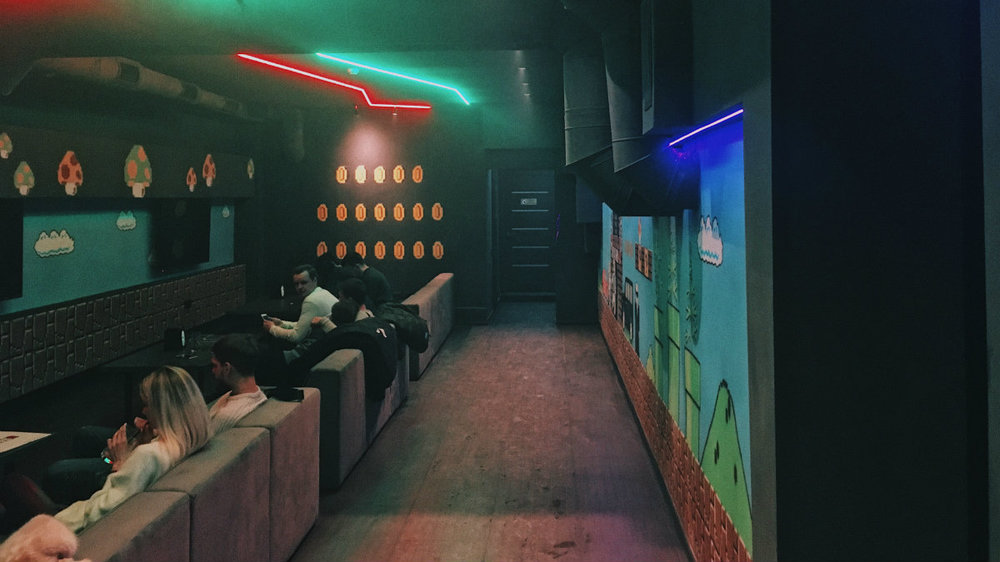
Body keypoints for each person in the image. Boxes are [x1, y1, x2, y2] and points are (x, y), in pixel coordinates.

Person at [54, 366, 211, 533]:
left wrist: (119, 463)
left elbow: (104, 511)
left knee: (52, 474)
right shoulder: (193, 440)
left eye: (147, 405)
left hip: (73, 527)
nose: (143, 411)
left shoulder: (148, 455)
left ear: (163, 409)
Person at [263, 264, 338, 361]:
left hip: (317, 352)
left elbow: (296, 337)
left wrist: (272, 329)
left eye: (303, 282)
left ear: (315, 280)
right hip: (329, 346)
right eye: (296, 284)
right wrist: (282, 324)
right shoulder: (323, 292)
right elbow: (304, 325)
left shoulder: (311, 300)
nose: (299, 287)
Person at [207, 334, 268, 434]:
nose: (213, 371)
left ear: (227, 368)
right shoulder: (261, 396)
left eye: (215, 365)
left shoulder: (224, 417)